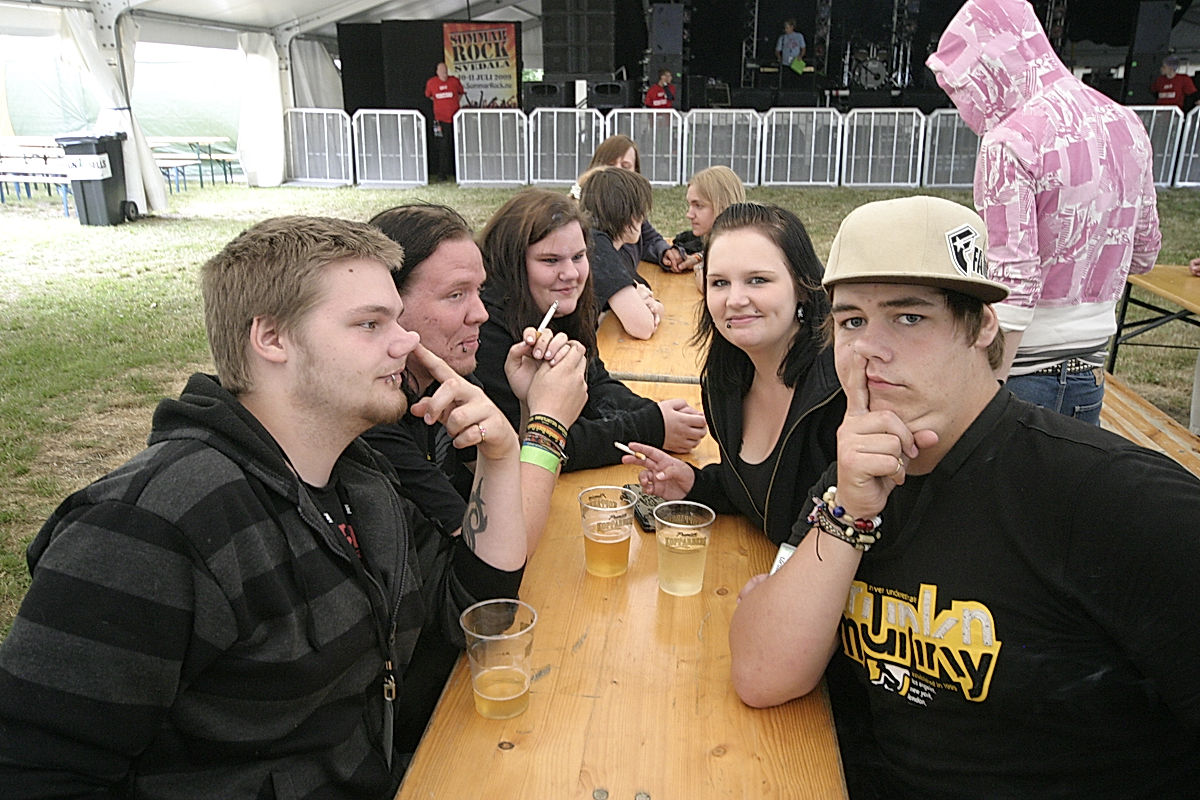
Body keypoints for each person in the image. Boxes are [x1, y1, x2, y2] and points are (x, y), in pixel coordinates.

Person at [0, 216, 528, 798]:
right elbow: (37, 773)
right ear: (271, 338)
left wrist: (501, 458)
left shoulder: (360, 481)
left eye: (397, 321)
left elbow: (473, 611)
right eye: (371, 324)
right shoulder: (148, 529)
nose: (405, 342)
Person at [729, 195, 1200, 798]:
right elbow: (762, 672)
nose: (869, 349)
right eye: (851, 321)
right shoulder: (849, 482)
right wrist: (847, 514)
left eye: (909, 318)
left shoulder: (1112, 498)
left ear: (982, 327)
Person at [362, 204, 587, 755]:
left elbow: (484, 497)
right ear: (390, 307)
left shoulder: (429, 393)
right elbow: (508, 553)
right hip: (423, 711)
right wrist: (547, 425)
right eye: (455, 295)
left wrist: (517, 404)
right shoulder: (377, 426)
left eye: (479, 292)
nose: (481, 315)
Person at [926, 0, 1161, 425]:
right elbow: (1144, 252)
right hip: (1090, 370)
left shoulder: (1010, 140)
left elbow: (1014, 284)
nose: (964, 108)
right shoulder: (1126, 121)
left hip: (1022, 371)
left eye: (961, 90)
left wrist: (984, 393)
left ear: (988, 67)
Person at [622, 203, 844, 546]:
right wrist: (696, 486)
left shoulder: (842, 392)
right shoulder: (725, 382)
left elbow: (845, 532)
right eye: (720, 282)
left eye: (758, 280)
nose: (735, 299)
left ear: (802, 286)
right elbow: (760, 495)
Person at [474, 188, 707, 471]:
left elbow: (594, 381)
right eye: (550, 260)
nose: (571, 273)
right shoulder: (486, 331)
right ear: (513, 262)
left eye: (578, 257)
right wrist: (651, 427)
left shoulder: (560, 306)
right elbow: (539, 445)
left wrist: (654, 412)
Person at [577, 166, 664, 339]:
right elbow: (642, 327)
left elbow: (650, 296)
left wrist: (649, 303)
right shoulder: (597, 247)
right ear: (628, 215)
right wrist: (642, 304)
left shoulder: (607, 247)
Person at [578, 134, 688, 272]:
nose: (617, 171)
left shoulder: (632, 213)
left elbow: (650, 238)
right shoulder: (588, 221)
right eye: (610, 164)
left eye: (625, 166)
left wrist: (665, 252)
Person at [667, 166, 747, 288]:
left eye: (698, 205)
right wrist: (698, 257)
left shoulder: (743, 253)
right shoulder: (728, 242)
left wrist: (700, 271)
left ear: (723, 205)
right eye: (690, 205)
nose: (689, 214)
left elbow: (713, 287)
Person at [424, 61, 465, 181]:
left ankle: (459, 173)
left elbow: (460, 94)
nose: (444, 73)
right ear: (437, 72)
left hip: (455, 120)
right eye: (442, 71)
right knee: (442, 147)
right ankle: (442, 174)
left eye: (446, 71)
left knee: (457, 146)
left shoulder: (454, 81)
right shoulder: (431, 83)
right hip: (440, 121)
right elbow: (430, 96)